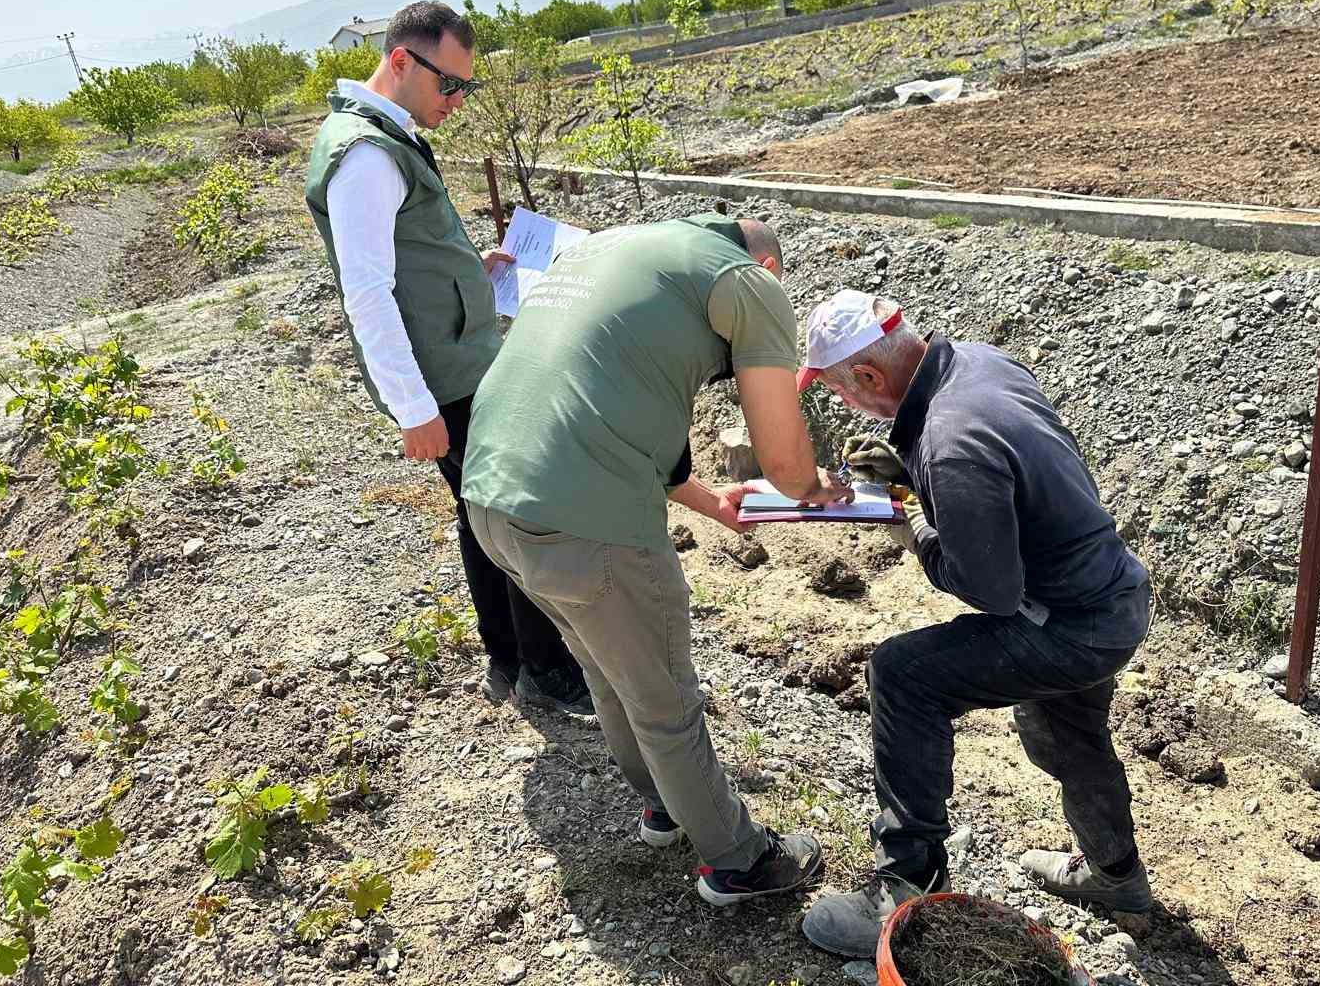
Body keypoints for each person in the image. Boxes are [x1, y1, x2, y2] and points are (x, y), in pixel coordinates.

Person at [461, 212, 852, 905]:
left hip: (493, 503)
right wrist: (817, 486)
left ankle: (667, 805)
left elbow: (616, 403)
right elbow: (788, 464)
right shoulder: (749, 284)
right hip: (583, 517)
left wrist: (713, 504)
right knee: (667, 698)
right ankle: (738, 861)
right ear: (766, 270)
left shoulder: (614, 250)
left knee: (611, 671)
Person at [796, 290, 1154, 958]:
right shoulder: (977, 363)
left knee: (903, 674)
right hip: (1110, 591)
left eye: (844, 392)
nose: (847, 405)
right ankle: (1117, 878)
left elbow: (991, 587)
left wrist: (909, 520)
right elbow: (1005, 484)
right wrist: (910, 479)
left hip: (1066, 622)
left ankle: (906, 888)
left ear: (873, 377)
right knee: (1061, 728)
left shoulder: (950, 441)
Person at [303, 0, 591, 717]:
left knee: (482, 510)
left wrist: (474, 268)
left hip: (459, 365)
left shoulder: (382, 134)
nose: (457, 101)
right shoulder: (364, 156)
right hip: (449, 382)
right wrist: (414, 409)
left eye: (467, 86)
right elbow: (366, 293)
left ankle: (509, 655)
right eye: (450, 84)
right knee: (519, 511)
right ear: (401, 61)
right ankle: (546, 673)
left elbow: (411, 257)